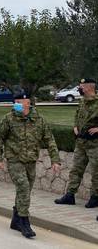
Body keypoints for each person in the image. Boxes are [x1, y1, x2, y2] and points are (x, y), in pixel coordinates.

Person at [0, 93, 61, 239]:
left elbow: (50, 140)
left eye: (19, 101)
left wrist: (55, 160)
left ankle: (15, 219)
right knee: (23, 187)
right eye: (15, 101)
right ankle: (24, 221)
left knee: (25, 190)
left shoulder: (39, 120)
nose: (16, 104)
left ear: (28, 102)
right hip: (14, 160)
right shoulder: (9, 119)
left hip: (31, 160)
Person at [55, 78, 98, 209]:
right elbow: (77, 116)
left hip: (94, 144)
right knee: (76, 169)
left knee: (96, 172)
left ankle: (95, 197)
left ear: (89, 88)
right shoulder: (82, 102)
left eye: (81, 86)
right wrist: (75, 126)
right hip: (81, 142)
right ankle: (70, 195)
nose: (79, 88)